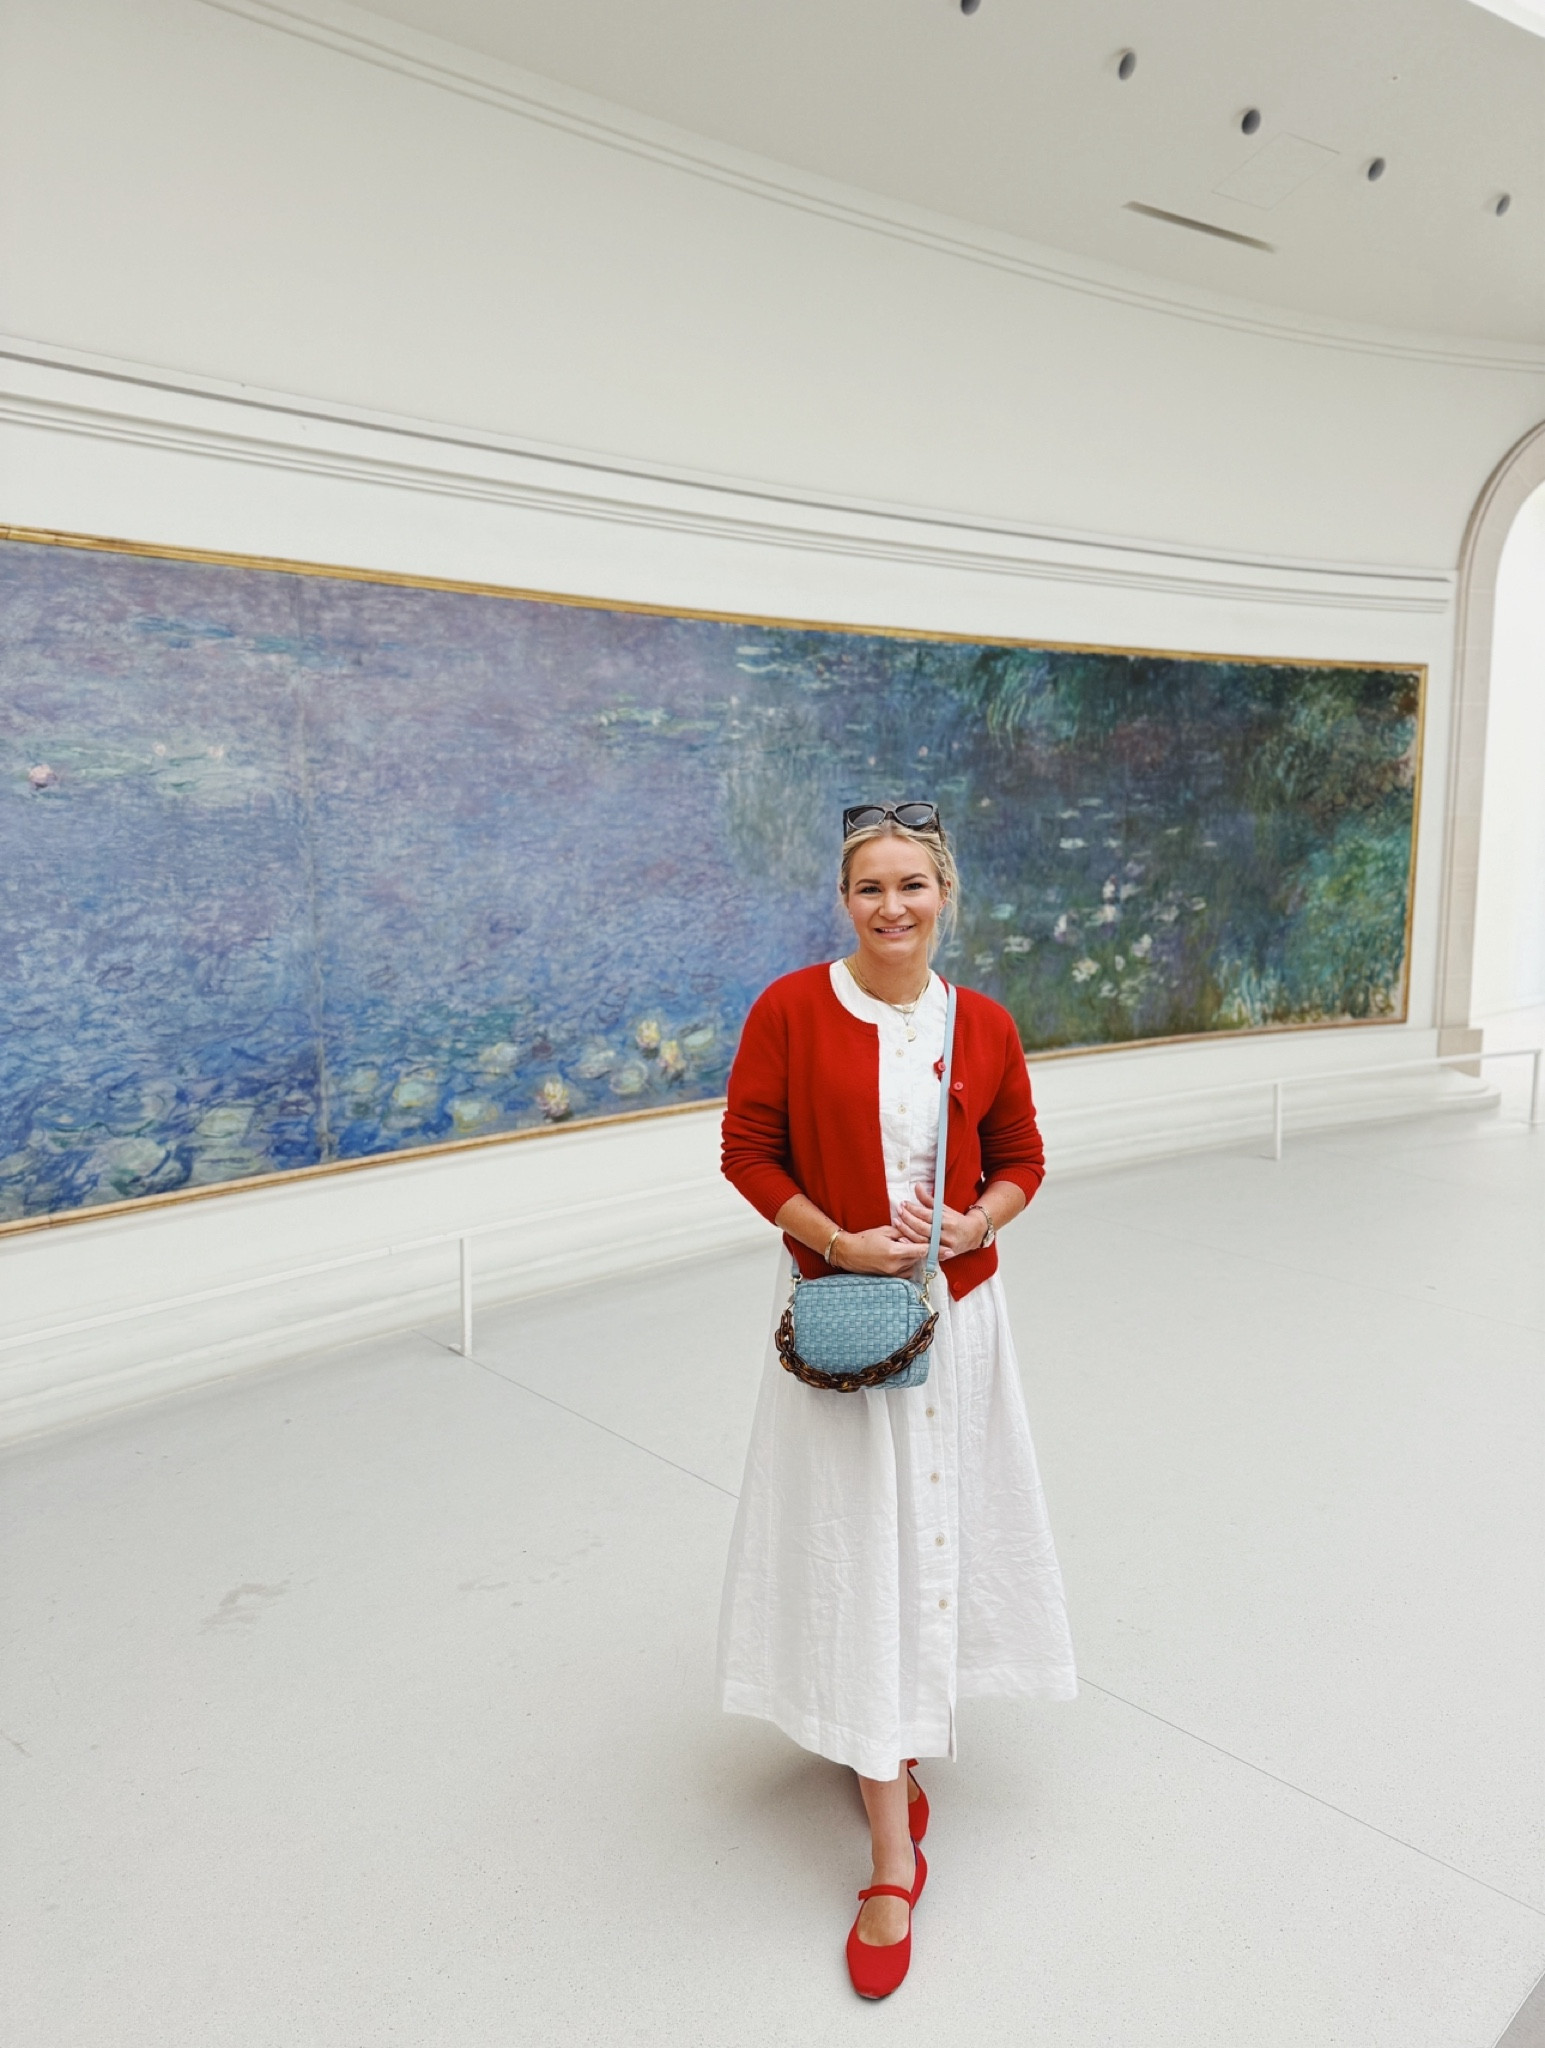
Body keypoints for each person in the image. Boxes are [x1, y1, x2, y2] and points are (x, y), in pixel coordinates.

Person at [718, 801, 1077, 2000]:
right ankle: (888, 1846)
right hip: (847, 1321)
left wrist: (978, 1219)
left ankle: (896, 1735)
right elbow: (748, 1149)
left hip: (961, 1324)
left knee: (931, 1536)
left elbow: (1024, 1153)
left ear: (946, 893)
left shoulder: (984, 1023)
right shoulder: (789, 1008)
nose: (893, 906)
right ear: (844, 898)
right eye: (870, 886)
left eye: (913, 884)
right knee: (863, 1545)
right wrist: (840, 1240)